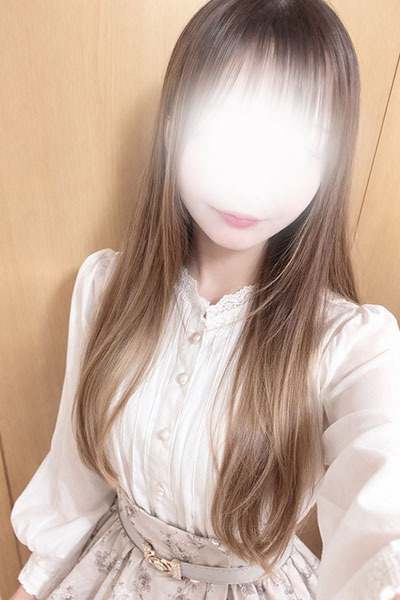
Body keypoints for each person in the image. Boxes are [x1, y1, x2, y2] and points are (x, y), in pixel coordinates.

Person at [9, 0, 400, 598]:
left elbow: (382, 516)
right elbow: (75, 486)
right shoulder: (106, 288)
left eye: (297, 146)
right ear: (172, 125)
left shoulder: (353, 348)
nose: (249, 180)